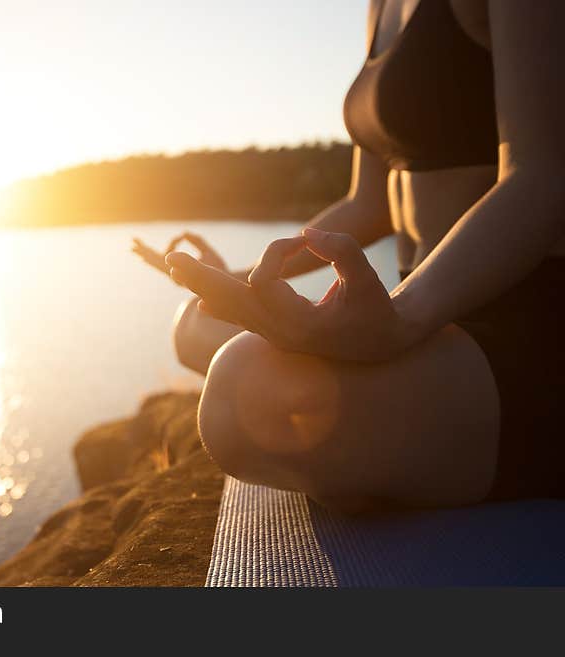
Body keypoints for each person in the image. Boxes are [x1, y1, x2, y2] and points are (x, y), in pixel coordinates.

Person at [132, 0, 565, 512]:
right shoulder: (379, 6)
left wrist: (401, 317)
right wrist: (237, 286)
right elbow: (370, 205)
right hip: (425, 314)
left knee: (242, 390)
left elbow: (541, 179)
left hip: (523, 322)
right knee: (197, 325)